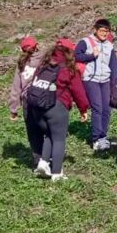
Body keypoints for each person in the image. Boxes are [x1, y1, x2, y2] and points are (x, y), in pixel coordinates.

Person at [26, 39, 90, 182]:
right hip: (57, 106)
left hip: (37, 107)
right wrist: (83, 109)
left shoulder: (43, 64)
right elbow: (78, 91)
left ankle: (43, 162)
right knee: (59, 139)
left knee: (50, 133)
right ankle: (57, 173)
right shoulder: (68, 68)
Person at [74, 19, 117, 151]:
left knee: (107, 108)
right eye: (102, 30)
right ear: (95, 29)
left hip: (105, 79)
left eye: (107, 31)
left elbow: (113, 66)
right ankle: (95, 139)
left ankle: (103, 137)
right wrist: (91, 56)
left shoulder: (109, 45)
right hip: (90, 79)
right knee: (97, 107)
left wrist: (115, 83)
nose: (104, 33)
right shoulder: (85, 42)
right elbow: (76, 56)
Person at [9, 36, 47, 165]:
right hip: (44, 98)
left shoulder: (21, 63)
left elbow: (16, 87)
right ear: (37, 46)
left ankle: (38, 159)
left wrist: (14, 109)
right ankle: (50, 156)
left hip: (27, 101)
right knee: (47, 128)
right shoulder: (45, 59)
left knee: (33, 131)